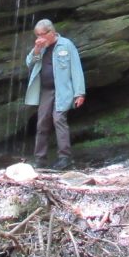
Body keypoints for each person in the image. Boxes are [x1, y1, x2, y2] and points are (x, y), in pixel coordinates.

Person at [24, 19, 85, 168]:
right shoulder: (41, 47)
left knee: (59, 120)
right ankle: (40, 160)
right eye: (37, 35)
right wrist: (37, 49)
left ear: (51, 32)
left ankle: (64, 158)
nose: (39, 38)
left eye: (42, 34)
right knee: (42, 123)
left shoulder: (66, 45)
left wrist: (80, 93)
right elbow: (29, 63)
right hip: (46, 91)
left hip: (62, 91)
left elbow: (76, 69)